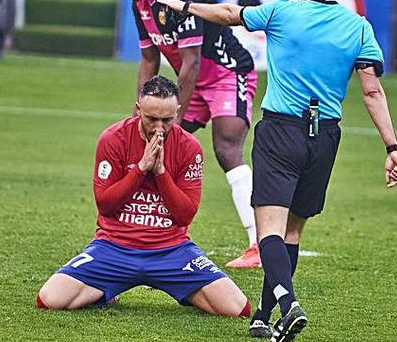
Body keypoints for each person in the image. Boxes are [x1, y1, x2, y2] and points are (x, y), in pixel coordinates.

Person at [157, 0, 397, 342]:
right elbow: (372, 92)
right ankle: (262, 315)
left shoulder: (282, 12)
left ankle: (287, 304)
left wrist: (183, 6)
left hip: (280, 132)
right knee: (292, 232)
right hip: (324, 137)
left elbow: (226, 14)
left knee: (268, 230)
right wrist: (392, 147)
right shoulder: (359, 27)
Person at [36, 75, 250, 317]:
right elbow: (105, 205)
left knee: (237, 308)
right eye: (151, 119)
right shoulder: (113, 138)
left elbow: (184, 215)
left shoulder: (189, 147)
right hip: (114, 247)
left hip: (171, 251)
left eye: (167, 120)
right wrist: (140, 170)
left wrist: (160, 173)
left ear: (178, 112)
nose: (159, 127)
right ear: (138, 109)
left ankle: (180, 285)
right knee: (49, 299)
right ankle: (110, 287)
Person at [109, 0, 261, 268]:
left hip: (227, 74)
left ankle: (258, 243)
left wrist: (171, 121)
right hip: (191, 83)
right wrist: (141, 113)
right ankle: (141, 237)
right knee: (150, 145)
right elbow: (149, 60)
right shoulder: (141, 2)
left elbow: (190, 63)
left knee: (226, 149)